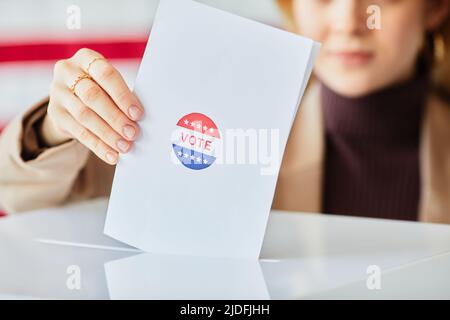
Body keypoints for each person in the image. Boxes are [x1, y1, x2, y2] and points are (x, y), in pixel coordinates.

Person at [0, 0, 449, 223]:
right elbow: (24, 196)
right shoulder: (224, 116)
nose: (350, 21)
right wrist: (58, 126)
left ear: (435, 9)